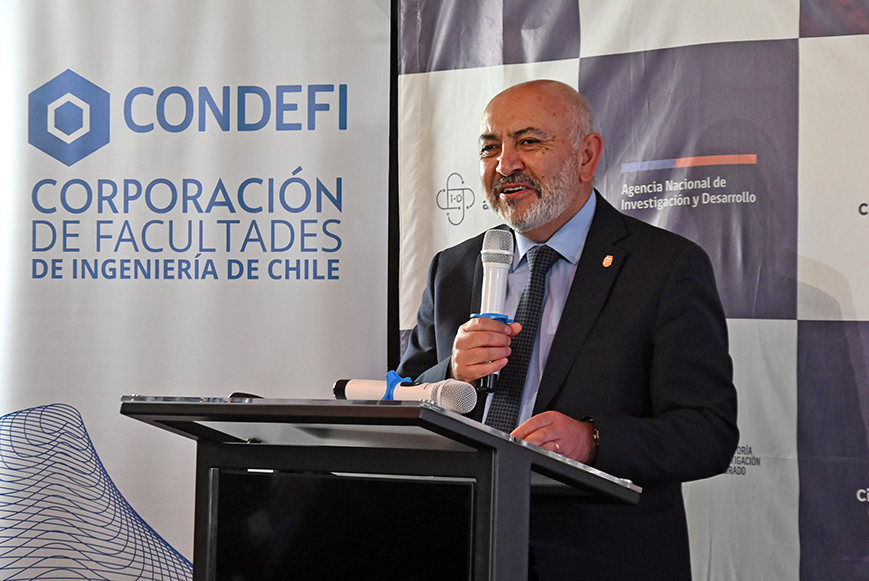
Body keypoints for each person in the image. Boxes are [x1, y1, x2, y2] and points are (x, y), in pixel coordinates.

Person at [397, 79, 739, 580]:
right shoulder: (454, 268)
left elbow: (708, 433)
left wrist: (593, 440)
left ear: (586, 155)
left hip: (599, 558)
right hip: (464, 546)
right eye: (490, 147)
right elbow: (402, 399)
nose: (505, 164)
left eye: (529, 141)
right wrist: (450, 374)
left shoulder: (664, 267)